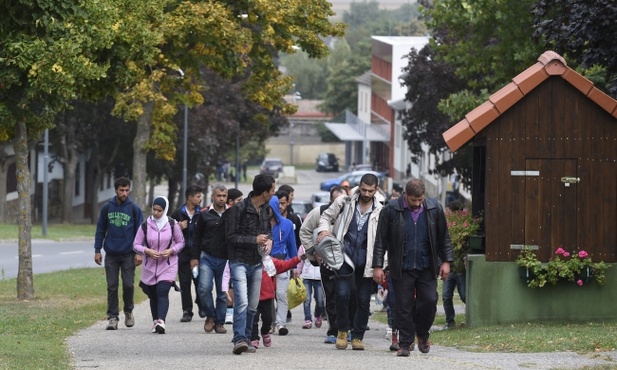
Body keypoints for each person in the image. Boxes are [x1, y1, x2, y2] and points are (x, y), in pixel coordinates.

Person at [372, 179, 453, 357]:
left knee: (430, 301)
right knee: (403, 306)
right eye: (413, 200)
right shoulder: (391, 210)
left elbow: (443, 238)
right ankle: (405, 343)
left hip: (427, 266)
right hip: (401, 266)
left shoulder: (434, 208)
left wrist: (446, 261)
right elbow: (380, 241)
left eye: (420, 200)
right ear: (406, 195)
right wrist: (377, 266)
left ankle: (423, 334)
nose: (417, 204)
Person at [316, 173, 384, 351]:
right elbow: (325, 217)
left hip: (367, 260)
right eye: (364, 189)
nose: (367, 194)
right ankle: (342, 331)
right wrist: (324, 231)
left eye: (370, 191)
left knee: (363, 300)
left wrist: (382, 263)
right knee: (342, 294)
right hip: (344, 258)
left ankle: (358, 336)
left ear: (375, 190)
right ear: (359, 187)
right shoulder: (344, 202)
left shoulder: (381, 209)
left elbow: (385, 239)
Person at [227, 174, 275, 355]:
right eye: (272, 190)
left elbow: (268, 232)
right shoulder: (238, 209)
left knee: (253, 305)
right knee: (242, 302)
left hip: (256, 262)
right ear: (264, 192)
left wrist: (269, 241)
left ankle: (247, 339)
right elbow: (230, 237)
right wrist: (254, 239)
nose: (274, 193)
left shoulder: (265, 209)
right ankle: (239, 338)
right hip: (238, 261)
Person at [94, 177, 144, 330]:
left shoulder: (134, 208)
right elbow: (100, 229)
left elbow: (140, 232)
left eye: (127, 190)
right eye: (121, 190)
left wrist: (139, 252)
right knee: (112, 286)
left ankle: (128, 311)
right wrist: (97, 250)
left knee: (128, 285)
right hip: (111, 254)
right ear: (116, 190)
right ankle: (113, 317)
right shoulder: (107, 208)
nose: (124, 193)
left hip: (129, 254)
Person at [299, 185, 346, 344]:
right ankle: (333, 330)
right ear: (331, 200)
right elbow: (304, 231)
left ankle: (348, 329)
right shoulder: (319, 213)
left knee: (347, 296)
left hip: (348, 264)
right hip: (327, 263)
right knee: (331, 296)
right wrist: (313, 252)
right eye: (336, 200)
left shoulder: (352, 213)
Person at [133, 196, 185, 334]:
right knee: (153, 294)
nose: (156, 213)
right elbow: (136, 244)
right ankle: (155, 320)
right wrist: (147, 251)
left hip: (168, 265)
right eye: (154, 209)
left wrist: (171, 250)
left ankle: (161, 321)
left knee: (162, 291)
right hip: (150, 266)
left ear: (165, 210)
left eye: (159, 210)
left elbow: (181, 242)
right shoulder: (145, 225)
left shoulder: (172, 224)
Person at [192, 184, 229, 334]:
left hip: (225, 259)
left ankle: (219, 322)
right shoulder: (204, 214)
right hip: (207, 257)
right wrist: (194, 258)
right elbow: (197, 237)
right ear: (213, 197)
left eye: (224, 196)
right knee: (204, 288)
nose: (221, 199)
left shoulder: (232, 213)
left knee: (222, 292)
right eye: (218, 196)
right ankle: (210, 316)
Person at [250, 252, 307, 349]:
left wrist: (297, 259)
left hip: (267, 297)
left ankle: (265, 332)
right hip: (253, 297)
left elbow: (284, 265)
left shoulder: (269, 261)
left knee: (268, 319)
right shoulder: (249, 262)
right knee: (253, 319)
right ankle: (254, 338)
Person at [170, 184, 204, 322]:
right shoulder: (178, 214)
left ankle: (201, 305)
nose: (200, 199)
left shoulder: (201, 214)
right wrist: (177, 227)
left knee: (199, 281)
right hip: (182, 254)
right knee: (185, 283)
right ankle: (187, 311)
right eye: (198, 196)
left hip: (197, 255)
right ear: (190, 197)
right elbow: (167, 231)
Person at [269, 191, 298, 335]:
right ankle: (269, 322)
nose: (280, 207)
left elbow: (292, 246)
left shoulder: (287, 224)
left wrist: (294, 266)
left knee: (281, 294)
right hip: (265, 264)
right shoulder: (261, 224)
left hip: (282, 263)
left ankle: (281, 323)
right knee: (267, 295)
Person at [443, 200, 466, 330]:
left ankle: (471, 317)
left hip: (460, 268)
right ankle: (450, 322)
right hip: (450, 268)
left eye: (448, 211)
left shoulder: (462, 228)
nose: (446, 213)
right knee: (446, 296)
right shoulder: (446, 227)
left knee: (464, 295)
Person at [297, 244, 325, 330]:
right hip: (306, 277)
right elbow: (300, 261)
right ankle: (308, 319)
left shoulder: (322, 245)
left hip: (319, 277)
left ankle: (317, 315)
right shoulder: (303, 247)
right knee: (307, 299)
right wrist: (298, 272)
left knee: (320, 300)